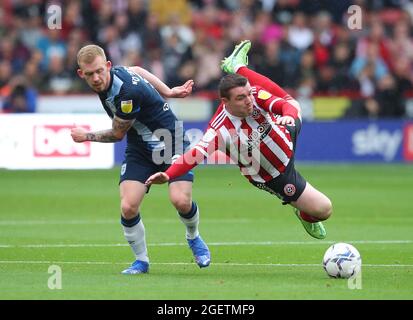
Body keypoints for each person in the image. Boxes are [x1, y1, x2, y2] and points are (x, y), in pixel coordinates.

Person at [146, 40, 332, 239]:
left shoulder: (255, 96)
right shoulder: (219, 130)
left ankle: (238, 67)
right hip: (274, 174)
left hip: (284, 135)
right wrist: (168, 174)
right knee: (323, 210)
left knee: (292, 103)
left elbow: (288, 108)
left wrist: (289, 116)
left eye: (248, 94)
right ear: (225, 102)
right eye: (241, 98)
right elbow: (193, 156)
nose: (249, 100)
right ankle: (303, 214)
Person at [71, 44, 210, 274]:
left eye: (99, 71)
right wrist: (168, 92)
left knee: (180, 201)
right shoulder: (119, 73)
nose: (96, 78)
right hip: (140, 148)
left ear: (108, 66)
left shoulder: (126, 95)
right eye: (89, 74)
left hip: (170, 141)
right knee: (128, 207)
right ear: (81, 74)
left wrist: (86, 136)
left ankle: (194, 237)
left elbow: (117, 134)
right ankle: (141, 261)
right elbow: (137, 69)